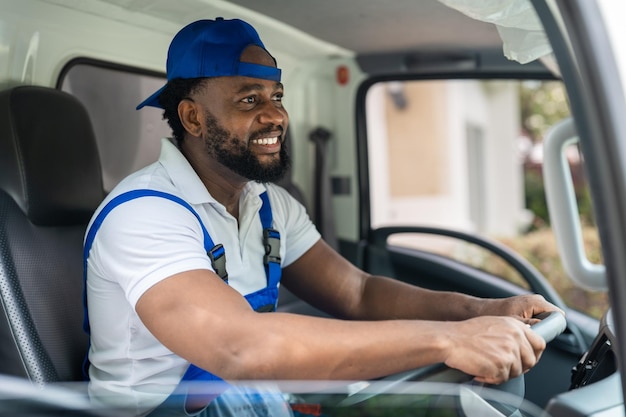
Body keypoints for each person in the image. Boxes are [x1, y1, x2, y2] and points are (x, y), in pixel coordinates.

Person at [83, 17, 563, 417]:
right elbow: (239, 348)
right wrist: (447, 340)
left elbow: (358, 293)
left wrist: (479, 311)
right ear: (192, 119)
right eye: (249, 100)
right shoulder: (145, 214)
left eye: (277, 96)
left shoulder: (270, 205)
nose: (275, 116)